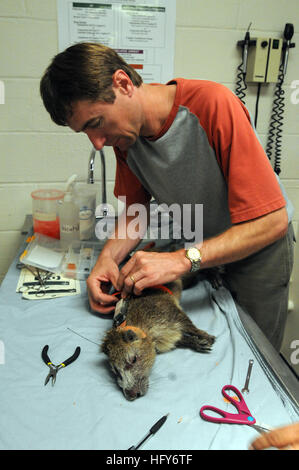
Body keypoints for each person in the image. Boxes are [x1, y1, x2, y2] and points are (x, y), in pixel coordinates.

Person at [40, 42, 294, 350]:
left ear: (122, 83)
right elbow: (137, 211)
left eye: (96, 123)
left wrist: (182, 260)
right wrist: (107, 259)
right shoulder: (125, 139)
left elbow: (273, 219)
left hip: (259, 250)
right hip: (205, 248)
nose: (97, 142)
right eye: (86, 132)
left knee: (255, 353)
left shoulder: (213, 105)